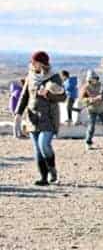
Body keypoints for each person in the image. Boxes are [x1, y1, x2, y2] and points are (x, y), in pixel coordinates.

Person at [14, 51, 66, 185]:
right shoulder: (30, 76)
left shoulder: (54, 77)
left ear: (42, 64)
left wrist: (48, 95)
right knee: (37, 149)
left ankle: (52, 170)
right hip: (32, 118)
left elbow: (63, 97)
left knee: (44, 145)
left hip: (48, 117)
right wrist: (18, 114)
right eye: (32, 62)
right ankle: (43, 178)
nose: (32, 64)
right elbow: (24, 96)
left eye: (35, 62)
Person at [80, 70, 103, 149]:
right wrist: (90, 100)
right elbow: (82, 99)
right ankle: (88, 142)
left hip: (102, 109)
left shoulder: (101, 85)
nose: (93, 80)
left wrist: (102, 97)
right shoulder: (86, 87)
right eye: (91, 79)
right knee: (91, 127)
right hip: (91, 110)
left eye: (94, 78)